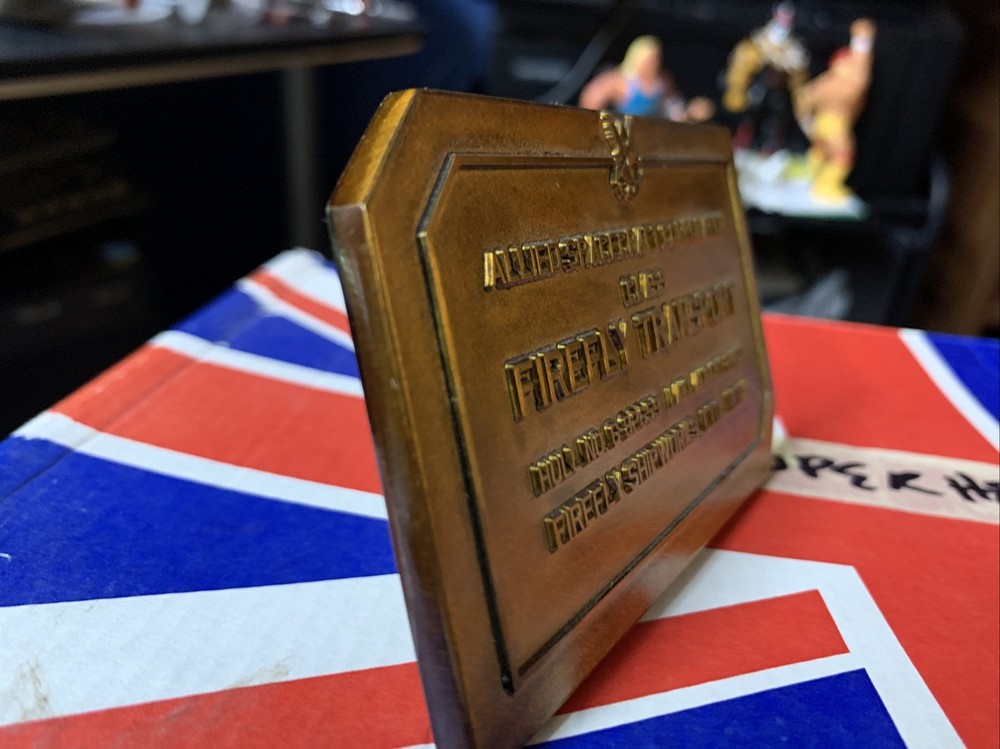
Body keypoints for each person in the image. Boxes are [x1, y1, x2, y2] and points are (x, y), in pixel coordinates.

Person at [795, 19, 877, 202]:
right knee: (843, 155)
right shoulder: (842, 81)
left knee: (821, 150)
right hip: (833, 123)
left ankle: (810, 178)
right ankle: (826, 186)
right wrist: (862, 39)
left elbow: (805, 97)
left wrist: (807, 123)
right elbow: (860, 76)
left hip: (825, 122)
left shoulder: (830, 80)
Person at [579, 36, 714, 122]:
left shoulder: (662, 81)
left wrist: (690, 113)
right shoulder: (619, 80)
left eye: (657, 59)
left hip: (650, 134)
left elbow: (674, 109)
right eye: (649, 59)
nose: (653, 64)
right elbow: (590, 100)